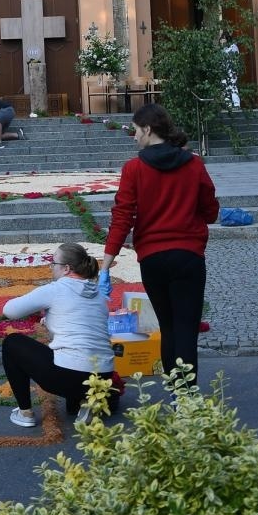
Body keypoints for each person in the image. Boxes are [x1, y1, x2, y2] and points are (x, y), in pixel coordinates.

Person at [100, 103, 219, 385]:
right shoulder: (193, 164)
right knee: (186, 329)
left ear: (148, 130)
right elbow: (211, 211)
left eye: (136, 130)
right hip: (188, 255)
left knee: (167, 327)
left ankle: (176, 395)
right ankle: (188, 397)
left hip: (153, 258)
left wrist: (106, 265)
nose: (134, 136)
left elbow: (122, 217)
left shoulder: (134, 168)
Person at [1, 242, 115, 426]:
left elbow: (9, 311)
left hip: (70, 374)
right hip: (104, 376)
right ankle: (84, 402)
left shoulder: (56, 289)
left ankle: (25, 413)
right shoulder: (99, 295)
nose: (50, 267)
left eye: (53, 263)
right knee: (73, 360)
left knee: (12, 342)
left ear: (66, 269)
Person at [220, 30, 241, 108]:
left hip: (231, 70)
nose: (222, 40)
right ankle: (228, 104)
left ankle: (236, 104)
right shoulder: (222, 49)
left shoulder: (233, 47)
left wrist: (235, 70)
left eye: (223, 39)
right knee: (225, 86)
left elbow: (235, 59)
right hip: (224, 70)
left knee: (232, 86)